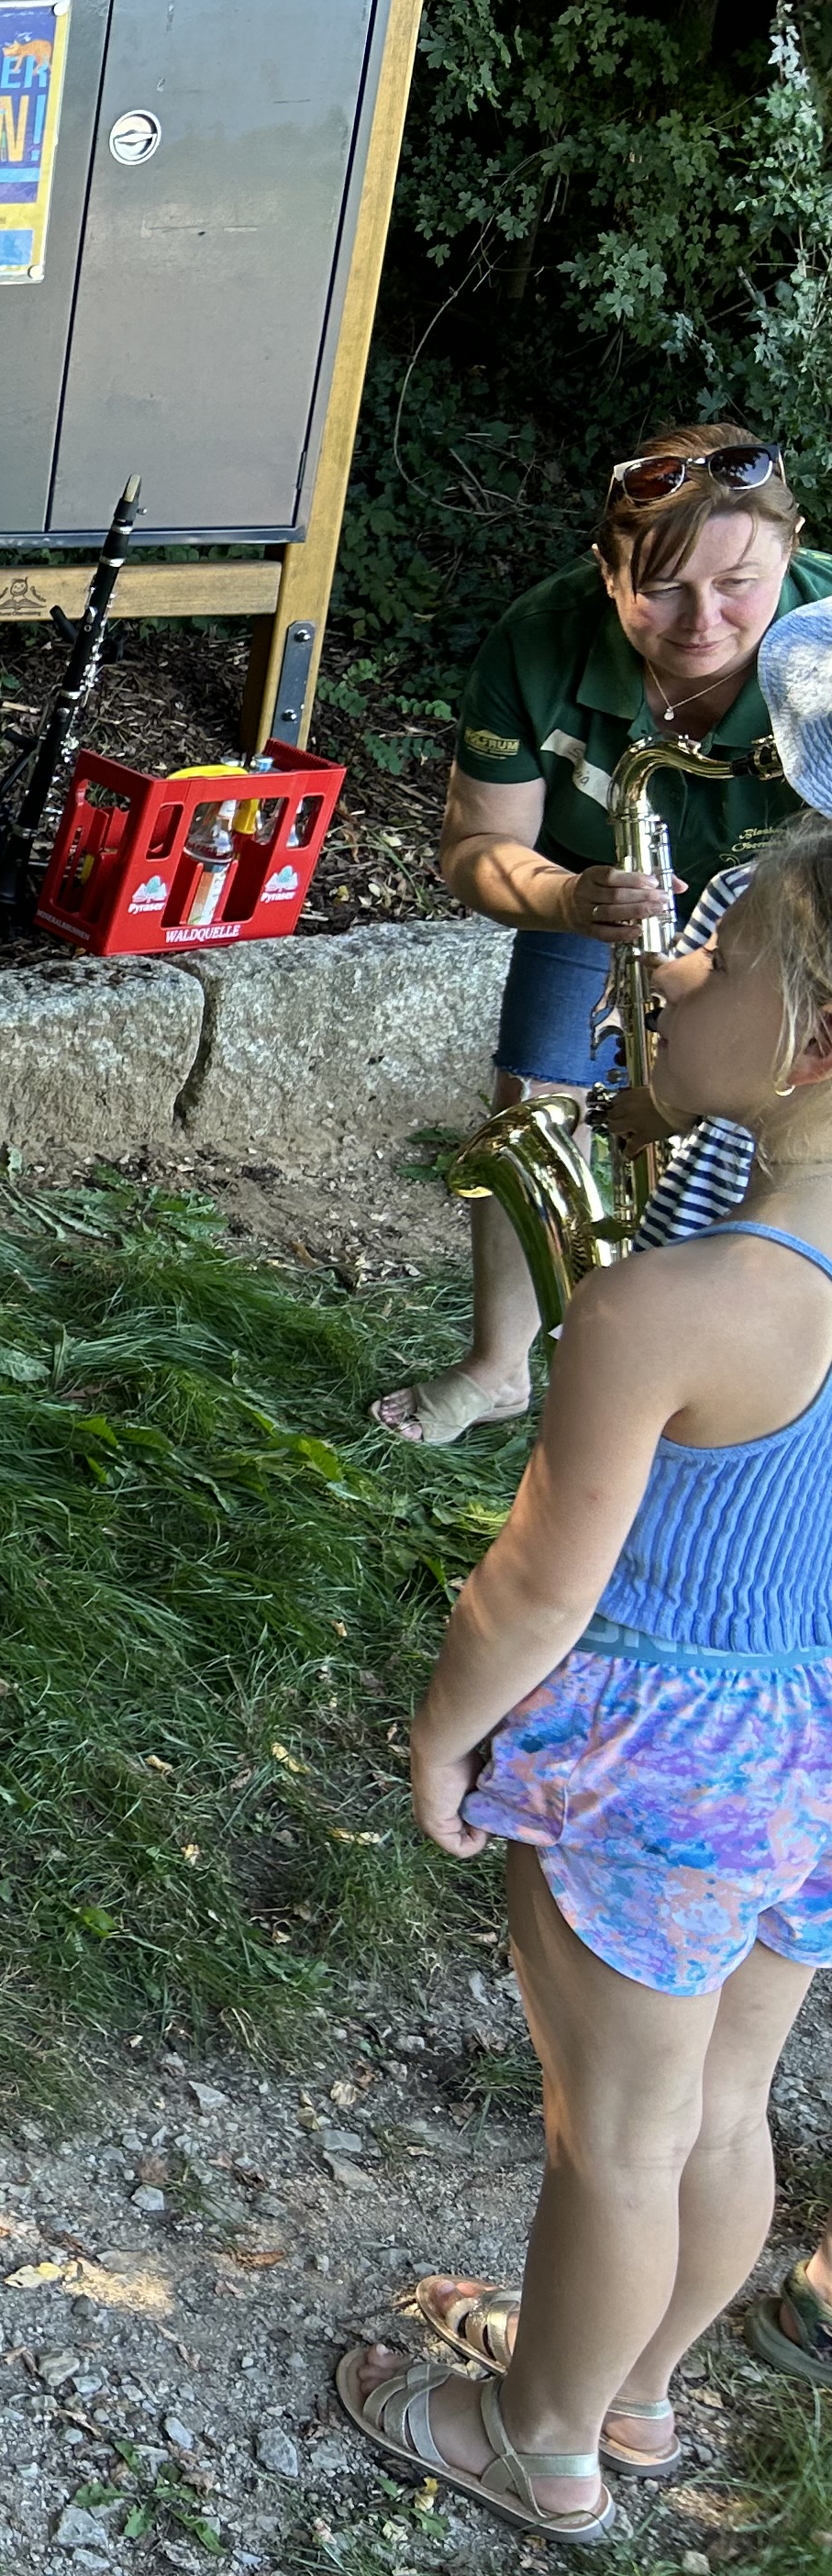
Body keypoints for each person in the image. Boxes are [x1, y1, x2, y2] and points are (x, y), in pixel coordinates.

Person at [338, 813, 832, 2543]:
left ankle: (534, 2435)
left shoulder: (668, 1307)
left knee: (614, 2133)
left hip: (656, 1757)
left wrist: (441, 1732)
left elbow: (541, 1584)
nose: (676, 972)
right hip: (809, 1741)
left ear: (814, 1037)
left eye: (725, 955)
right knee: (722, 2104)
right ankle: (630, 2388)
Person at [373, 424, 824, 1442]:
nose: (703, 621)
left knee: (783, 1125)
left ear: (792, 554)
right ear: (607, 571)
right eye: (660, 588)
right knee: (533, 1104)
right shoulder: (539, 637)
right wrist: (575, 899)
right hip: (595, 888)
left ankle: (750, 1386)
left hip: (790, 913)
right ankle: (499, 1369)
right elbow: (477, 847)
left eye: (740, 584)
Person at [614, 599, 832, 1249]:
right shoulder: (756, 889)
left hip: (747, 1214)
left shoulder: (761, 890)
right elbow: (710, 1020)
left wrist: (667, 1104)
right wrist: (669, 1104)